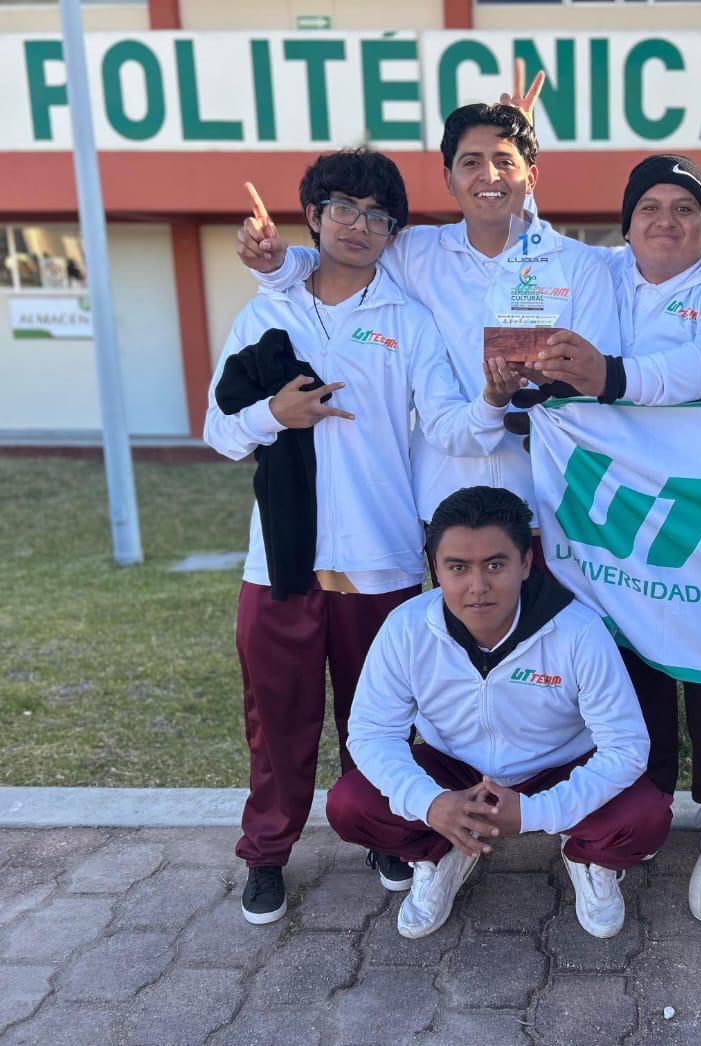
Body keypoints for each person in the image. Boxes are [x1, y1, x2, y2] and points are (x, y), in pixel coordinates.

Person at [205, 149, 524, 925]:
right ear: (313, 216)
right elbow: (219, 431)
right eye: (344, 208)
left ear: (392, 232)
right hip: (279, 563)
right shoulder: (267, 312)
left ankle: (385, 834)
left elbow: (448, 423)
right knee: (276, 722)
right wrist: (275, 415)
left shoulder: (406, 321)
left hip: (382, 562)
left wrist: (491, 400)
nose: (360, 226)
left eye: (378, 216)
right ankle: (266, 853)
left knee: (379, 720)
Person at [515, 153, 701, 848]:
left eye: (685, 209)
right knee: (630, 649)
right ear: (626, 225)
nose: (666, 221)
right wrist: (519, 174)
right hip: (614, 501)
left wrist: (613, 375)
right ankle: (646, 792)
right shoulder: (599, 272)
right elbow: (529, 249)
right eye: (649, 208)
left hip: (699, 503)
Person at [235, 103, 621, 553]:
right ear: (448, 179)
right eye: (471, 162)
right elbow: (341, 259)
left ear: (531, 177)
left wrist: (550, 394)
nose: (489, 176)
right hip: (445, 501)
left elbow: (598, 384)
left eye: (504, 162)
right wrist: (279, 265)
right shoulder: (414, 252)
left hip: (554, 502)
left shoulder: (579, 266)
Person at [326, 485, 672, 939]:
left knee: (646, 817)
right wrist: (430, 803)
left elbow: (625, 747)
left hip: (557, 768)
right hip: (455, 768)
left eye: (495, 565)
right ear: (435, 568)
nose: (477, 586)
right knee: (350, 805)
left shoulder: (579, 631)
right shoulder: (406, 628)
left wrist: (536, 812)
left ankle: (587, 858)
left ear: (525, 563)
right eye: (458, 567)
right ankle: (439, 851)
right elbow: (372, 732)